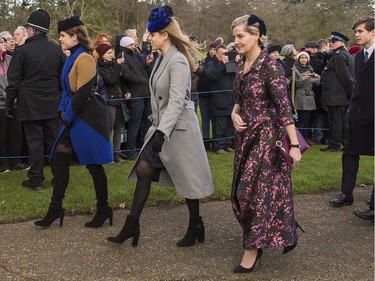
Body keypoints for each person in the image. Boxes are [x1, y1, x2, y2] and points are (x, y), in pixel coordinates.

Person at [107, 5, 214, 247]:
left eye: (151, 34)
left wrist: (162, 131)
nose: (148, 38)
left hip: (179, 129)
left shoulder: (177, 60)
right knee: (144, 169)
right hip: (163, 127)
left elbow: (177, 100)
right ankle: (131, 225)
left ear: (164, 35)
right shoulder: (161, 58)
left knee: (189, 182)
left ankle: (196, 224)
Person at [230, 14, 302, 273]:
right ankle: (284, 229)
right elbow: (238, 97)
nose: (235, 41)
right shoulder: (241, 64)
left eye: (240, 36)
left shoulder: (270, 66)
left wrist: (294, 146)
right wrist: (234, 113)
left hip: (266, 138)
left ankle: (252, 249)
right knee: (246, 193)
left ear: (256, 35)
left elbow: (285, 108)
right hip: (244, 138)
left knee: (250, 193)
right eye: (234, 36)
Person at [34, 16, 113, 228]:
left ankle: (104, 209)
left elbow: (83, 93)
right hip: (72, 115)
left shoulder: (85, 58)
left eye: (62, 36)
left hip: (85, 118)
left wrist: (67, 117)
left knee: (94, 164)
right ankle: (55, 209)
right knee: (60, 161)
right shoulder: (73, 56)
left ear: (74, 36)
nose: (60, 39)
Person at [5, 9, 65, 191]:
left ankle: (36, 179)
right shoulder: (56, 50)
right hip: (52, 104)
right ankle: (58, 177)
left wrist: (9, 104)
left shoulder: (22, 52)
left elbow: (13, 81)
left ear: (32, 30)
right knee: (53, 141)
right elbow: (62, 79)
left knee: (35, 144)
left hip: (29, 105)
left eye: (28, 27)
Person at [330, 17, 374, 211]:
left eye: (360, 31)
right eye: (355, 31)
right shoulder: (359, 57)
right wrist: (352, 111)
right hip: (358, 116)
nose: (356, 35)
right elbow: (357, 88)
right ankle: (346, 194)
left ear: (373, 32)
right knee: (349, 153)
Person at [119, 36, 152, 160]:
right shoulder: (122, 56)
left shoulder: (133, 55)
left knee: (148, 122)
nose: (134, 46)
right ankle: (131, 151)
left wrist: (146, 64)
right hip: (136, 95)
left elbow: (140, 70)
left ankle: (144, 148)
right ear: (126, 45)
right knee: (135, 124)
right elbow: (125, 73)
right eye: (132, 45)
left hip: (145, 92)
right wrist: (140, 80)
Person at [96, 43, 131, 162]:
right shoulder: (100, 68)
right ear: (102, 55)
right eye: (109, 53)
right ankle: (106, 154)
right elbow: (111, 80)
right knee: (108, 129)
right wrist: (117, 66)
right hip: (110, 103)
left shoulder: (113, 65)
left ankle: (117, 153)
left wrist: (126, 91)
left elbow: (120, 80)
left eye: (112, 52)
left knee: (118, 129)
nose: (112, 55)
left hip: (119, 101)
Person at [0, 37, 29, 173]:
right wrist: (5, 95)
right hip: (1, 105)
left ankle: (15, 161)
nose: (4, 43)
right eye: (1, 41)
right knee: (2, 135)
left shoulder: (10, 60)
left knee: (15, 133)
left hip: (14, 103)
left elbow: (17, 78)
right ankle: (3, 163)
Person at [204, 44, 235, 154]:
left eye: (226, 54)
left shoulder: (230, 64)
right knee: (220, 125)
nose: (224, 56)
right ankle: (218, 146)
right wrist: (222, 64)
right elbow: (211, 75)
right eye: (222, 54)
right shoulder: (211, 64)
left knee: (229, 125)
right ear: (216, 54)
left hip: (230, 99)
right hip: (218, 100)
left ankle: (227, 144)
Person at [292, 51, 320, 139]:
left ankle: (306, 138)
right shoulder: (294, 70)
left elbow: (316, 84)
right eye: (301, 57)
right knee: (301, 119)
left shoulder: (310, 69)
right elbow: (294, 85)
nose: (304, 60)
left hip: (309, 96)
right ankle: (299, 139)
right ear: (298, 59)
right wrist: (303, 78)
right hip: (300, 97)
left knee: (308, 119)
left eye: (305, 58)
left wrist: (316, 77)